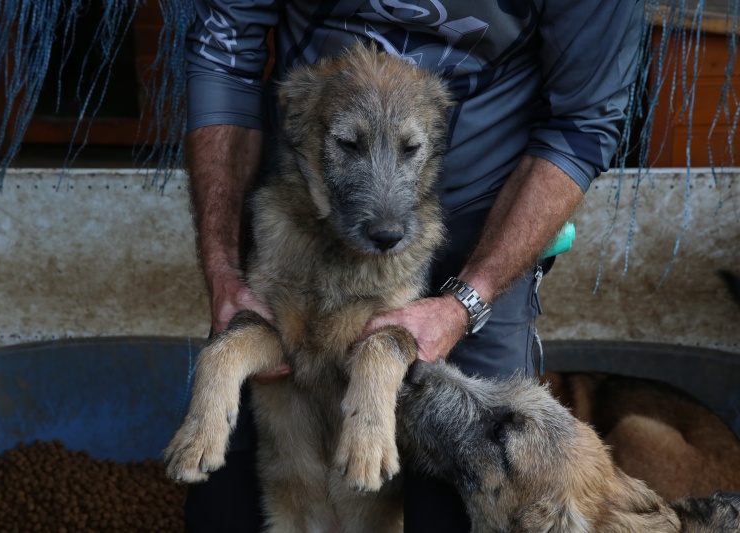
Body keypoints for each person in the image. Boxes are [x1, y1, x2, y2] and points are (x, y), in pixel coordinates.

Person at [182, 1, 644, 530]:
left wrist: (469, 298)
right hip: (301, 216)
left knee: (457, 503)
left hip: (484, 231)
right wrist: (222, 266)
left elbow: (583, 123)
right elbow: (223, 58)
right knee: (225, 505)